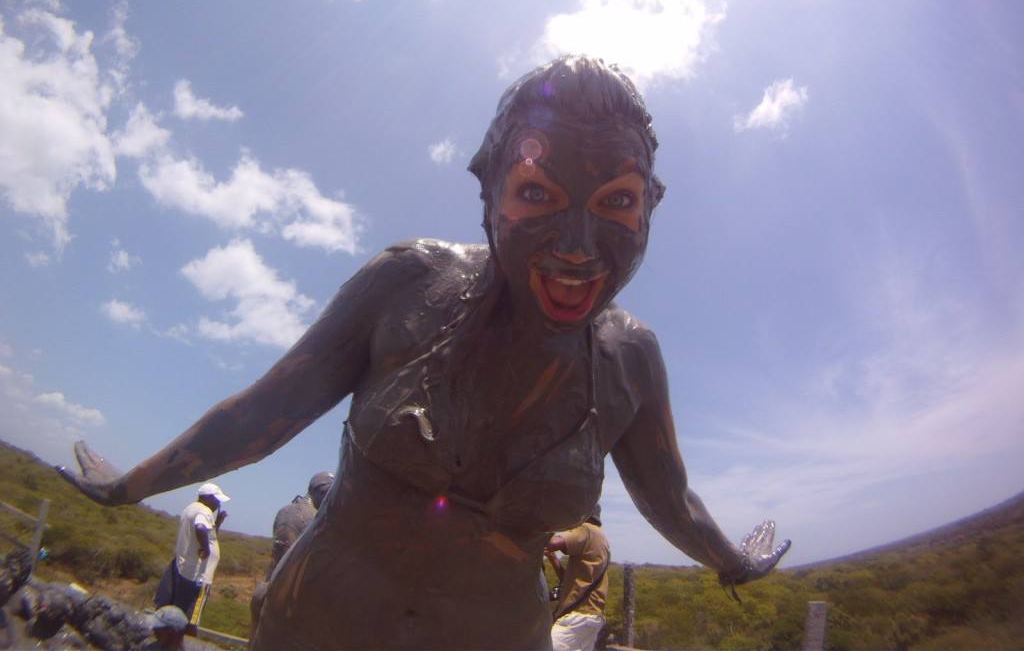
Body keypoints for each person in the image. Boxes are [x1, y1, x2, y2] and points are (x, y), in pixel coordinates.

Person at [59, 55, 790, 651]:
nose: (576, 247)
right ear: (488, 191)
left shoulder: (631, 361)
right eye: (536, 194)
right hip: (312, 630)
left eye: (617, 204)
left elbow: (669, 497)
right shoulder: (408, 282)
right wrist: (132, 486)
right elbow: (266, 411)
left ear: (651, 207)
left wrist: (733, 561)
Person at [249, 471, 335, 638]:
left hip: (265, 590)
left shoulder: (285, 510)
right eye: (328, 494)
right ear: (320, 492)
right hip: (285, 602)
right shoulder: (314, 518)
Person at [154, 483, 229, 634]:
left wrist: (217, 523)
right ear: (207, 498)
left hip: (185, 570)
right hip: (199, 576)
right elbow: (200, 528)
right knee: (191, 618)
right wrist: (206, 549)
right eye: (217, 500)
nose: (218, 504)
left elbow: (209, 536)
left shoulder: (191, 508)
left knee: (177, 612)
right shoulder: (204, 511)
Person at [546, 508, 609, 651]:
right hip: (591, 617)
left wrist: (547, 524)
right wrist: (553, 559)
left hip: (578, 616)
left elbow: (551, 543)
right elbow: (569, 581)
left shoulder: (585, 529)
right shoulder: (600, 537)